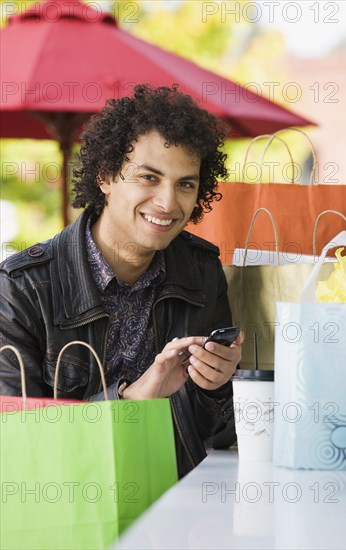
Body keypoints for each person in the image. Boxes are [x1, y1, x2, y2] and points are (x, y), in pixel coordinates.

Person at [0, 84, 243, 477]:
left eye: (185, 183)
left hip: (177, 508)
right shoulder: (21, 288)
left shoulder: (201, 272)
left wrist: (217, 386)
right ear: (105, 176)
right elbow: (14, 446)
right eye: (149, 177)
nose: (168, 202)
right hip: (64, 514)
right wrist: (131, 398)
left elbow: (220, 437)